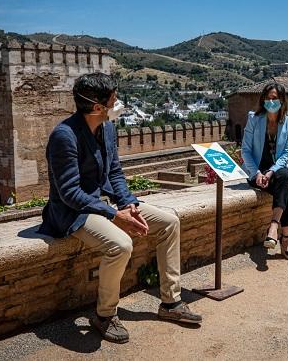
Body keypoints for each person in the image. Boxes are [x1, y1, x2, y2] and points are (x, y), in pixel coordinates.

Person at [39, 72, 202, 344]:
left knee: (170, 222)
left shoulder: (107, 128)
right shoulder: (64, 136)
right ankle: (104, 315)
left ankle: (170, 303)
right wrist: (115, 214)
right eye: (113, 99)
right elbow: (69, 192)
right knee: (120, 245)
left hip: (107, 204)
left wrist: (129, 203)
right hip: (73, 213)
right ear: (96, 106)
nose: (118, 103)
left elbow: (115, 172)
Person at [241, 82, 288, 261]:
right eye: (267, 98)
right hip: (256, 172)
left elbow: (287, 153)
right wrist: (257, 173)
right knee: (286, 185)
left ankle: (274, 227)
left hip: (276, 172)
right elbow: (246, 150)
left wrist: (271, 172)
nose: (270, 101)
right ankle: (286, 237)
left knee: (285, 176)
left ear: (282, 100)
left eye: (274, 98)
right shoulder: (254, 118)